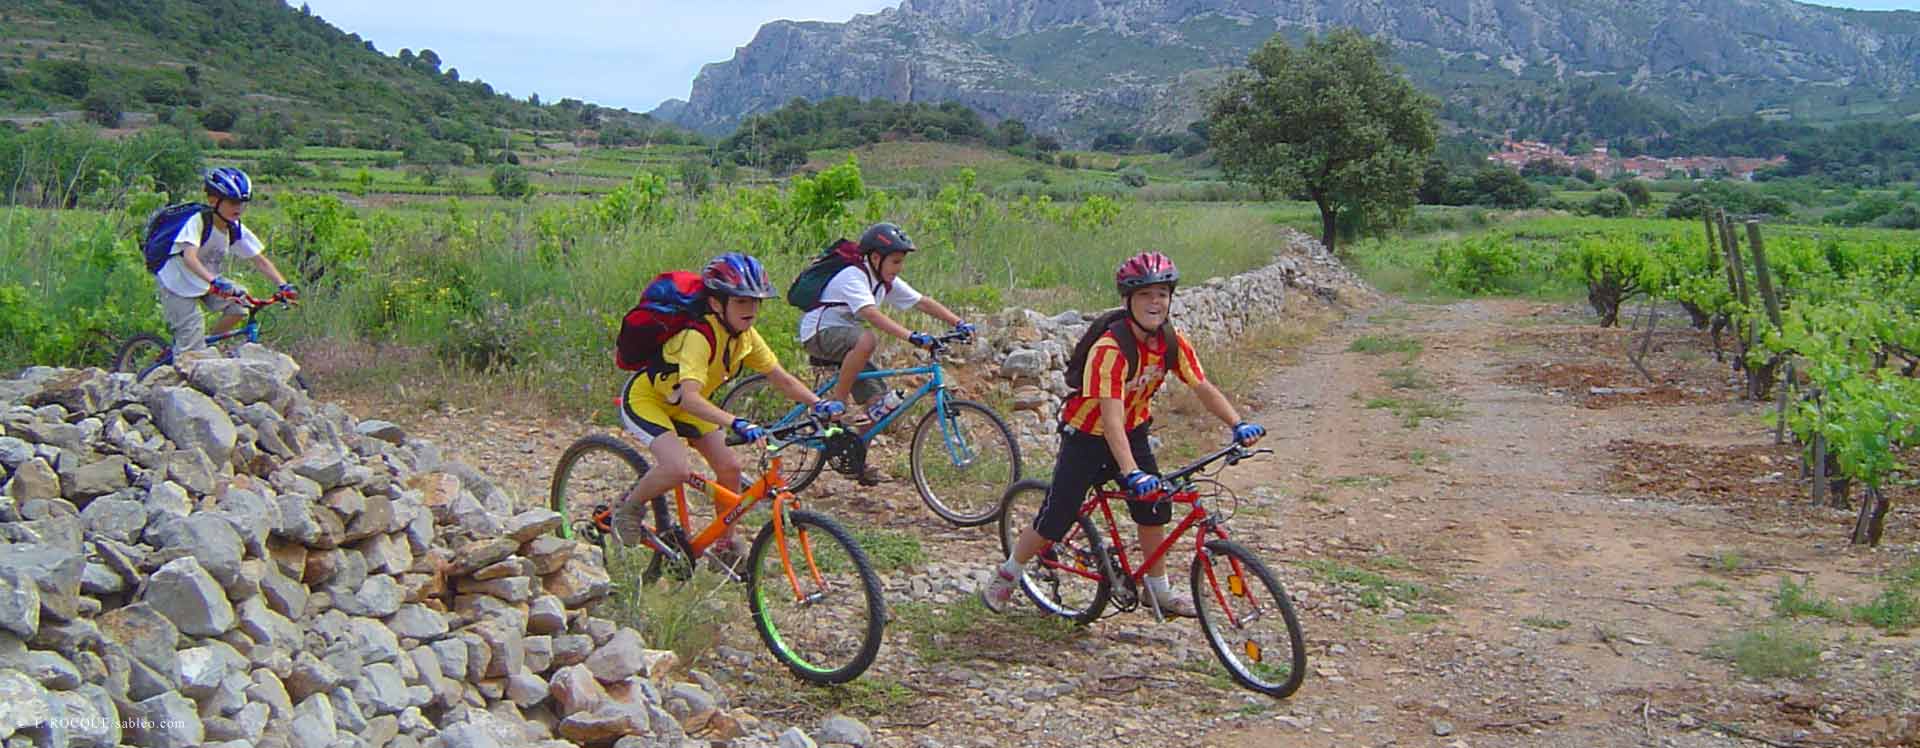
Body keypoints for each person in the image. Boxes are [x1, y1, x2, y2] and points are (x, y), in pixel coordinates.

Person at [980, 251, 1266, 618]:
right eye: (1145, 294)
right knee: (1057, 518)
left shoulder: (1172, 342)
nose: (1155, 302)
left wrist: (1237, 424)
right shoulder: (1110, 349)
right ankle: (1009, 572)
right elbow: (1109, 419)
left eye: (1162, 294)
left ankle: (1157, 591)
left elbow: (1202, 387)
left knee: (1153, 508)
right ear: (1128, 300)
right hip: (1087, 436)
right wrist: (1131, 472)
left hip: (1133, 431)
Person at [613, 252, 845, 553]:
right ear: (715, 303)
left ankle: (724, 546)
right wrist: (736, 422)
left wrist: (818, 403)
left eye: (755, 301)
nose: (751, 309)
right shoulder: (698, 337)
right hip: (649, 400)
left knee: (731, 469)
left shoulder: (746, 337)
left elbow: (781, 378)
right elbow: (691, 398)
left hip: (685, 406)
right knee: (676, 467)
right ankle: (628, 509)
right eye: (741, 301)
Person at [796, 222, 974, 479]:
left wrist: (959, 323)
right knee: (867, 339)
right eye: (895, 261)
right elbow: (870, 314)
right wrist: (911, 336)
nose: (899, 268)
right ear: (876, 258)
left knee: (880, 406)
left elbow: (922, 302)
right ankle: (837, 404)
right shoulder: (853, 276)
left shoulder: (883, 280)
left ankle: (854, 461)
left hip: (847, 343)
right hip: (819, 333)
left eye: (901, 262)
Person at [153, 167, 296, 355]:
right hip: (177, 282)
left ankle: (207, 348)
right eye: (233, 202)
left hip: (206, 280)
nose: (239, 208)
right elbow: (190, 258)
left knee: (240, 305)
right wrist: (214, 281)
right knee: (192, 329)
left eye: (243, 203)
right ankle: (186, 361)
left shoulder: (234, 228)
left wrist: (284, 285)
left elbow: (260, 260)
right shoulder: (198, 222)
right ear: (213, 200)